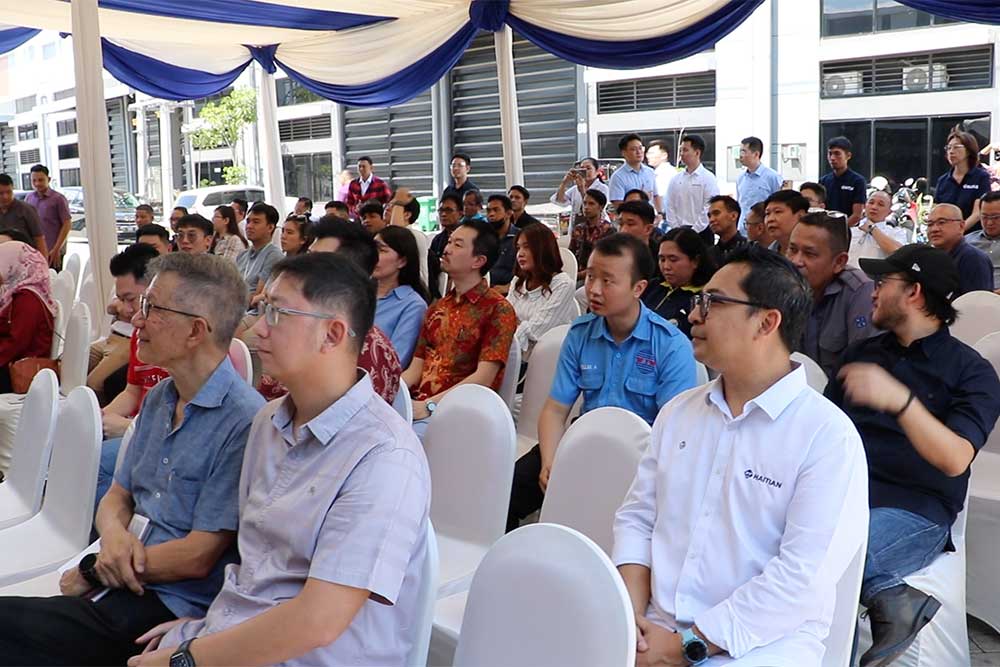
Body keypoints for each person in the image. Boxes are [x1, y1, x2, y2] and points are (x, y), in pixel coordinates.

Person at [132, 253, 430, 667]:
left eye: (277, 313)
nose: (257, 328)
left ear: (332, 334)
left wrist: (188, 658)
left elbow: (319, 622)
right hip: (238, 636)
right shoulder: (268, 422)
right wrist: (205, 629)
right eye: (261, 310)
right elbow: (256, 568)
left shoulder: (383, 457)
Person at [2, 254, 264, 667]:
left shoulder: (244, 421)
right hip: (120, 580)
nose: (136, 319)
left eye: (152, 307)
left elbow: (198, 556)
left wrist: (96, 568)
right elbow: (118, 496)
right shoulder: (161, 398)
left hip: (166, 605)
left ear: (196, 331)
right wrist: (113, 536)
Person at [614, 245, 869, 666]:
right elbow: (638, 518)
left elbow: (800, 580)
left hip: (759, 646)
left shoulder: (827, 438)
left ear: (767, 322)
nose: (693, 315)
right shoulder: (679, 413)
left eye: (712, 303)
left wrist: (682, 647)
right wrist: (631, 619)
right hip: (653, 627)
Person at [826, 244, 1000, 665]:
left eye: (882, 282)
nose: (872, 290)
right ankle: (891, 599)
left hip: (914, 510)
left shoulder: (971, 371)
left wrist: (901, 402)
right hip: (840, 497)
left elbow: (956, 458)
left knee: (834, 561)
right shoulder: (862, 355)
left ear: (914, 292)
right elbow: (823, 432)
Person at [507, 233, 696, 531]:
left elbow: (675, 435)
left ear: (638, 288)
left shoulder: (671, 346)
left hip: (642, 458)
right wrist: (550, 461)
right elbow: (555, 409)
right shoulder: (580, 334)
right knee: (508, 491)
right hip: (584, 440)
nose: (593, 289)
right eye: (591, 276)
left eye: (607, 281)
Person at [403, 219, 516, 439]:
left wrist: (430, 406)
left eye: (457, 244)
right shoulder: (437, 308)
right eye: (449, 242)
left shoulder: (498, 309)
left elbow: (483, 377)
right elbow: (416, 368)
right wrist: (390, 393)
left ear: (478, 261)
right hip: (418, 407)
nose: (446, 249)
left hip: (461, 414)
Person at [96, 244, 170, 501]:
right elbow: (132, 391)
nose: (126, 310)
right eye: (121, 299)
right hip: (142, 428)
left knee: (96, 464)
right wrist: (100, 418)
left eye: (130, 299)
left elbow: (186, 426)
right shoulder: (140, 332)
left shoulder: (180, 340)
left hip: (160, 442)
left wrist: (129, 428)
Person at [787, 211, 876, 379]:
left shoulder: (859, 293)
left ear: (839, 262)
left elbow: (864, 373)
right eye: (792, 250)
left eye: (809, 254)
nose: (795, 261)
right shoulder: (783, 286)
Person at [506, 222, 577, 360]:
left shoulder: (563, 284)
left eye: (527, 247)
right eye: (518, 248)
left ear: (543, 249)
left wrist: (517, 324)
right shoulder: (518, 281)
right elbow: (503, 318)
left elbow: (536, 331)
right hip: (513, 354)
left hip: (546, 360)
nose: (520, 254)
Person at [0, 242, 55, 393]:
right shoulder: (15, 292)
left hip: (17, 369)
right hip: (10, 360)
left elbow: (17, 343)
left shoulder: (28, 298)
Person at [641, 227, 717, 338]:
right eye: (662, 259)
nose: (666, 266)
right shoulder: (651, 287)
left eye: (673, 260)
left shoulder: (705, 299)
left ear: (695, 261)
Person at [373, 226, 430, 368]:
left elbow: (395, 361)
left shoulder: (413, 305)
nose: (372, 255)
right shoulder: (358, 293)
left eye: (381, 250)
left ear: (402, 261)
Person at [925, 203, 994, 295]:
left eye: (941, 222)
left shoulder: (973, 259)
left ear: (961, 226)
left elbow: (977, 301)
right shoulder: (930, 258)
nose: (934, 229)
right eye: (930, 224)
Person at [665, 134, 720, 244]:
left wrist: (694, 230)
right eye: (681, 150)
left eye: (685, 150)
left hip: (702, 232)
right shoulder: (675, 179)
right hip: (679, 232)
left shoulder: (708, 178)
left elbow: (709, 206)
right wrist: (676, 228)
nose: (681, 154)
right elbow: (669, 205)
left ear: (697, 153)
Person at [934, 129, 993, 231]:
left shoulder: (981, 177)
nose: (951, 151)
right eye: (948, 148)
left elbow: (977, 213)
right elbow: (937, 211)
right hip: (947, 235)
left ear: (969, 151)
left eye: (956, 147)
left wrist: (957, 232)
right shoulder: (943, 181)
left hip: (973, 235)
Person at [25, 164, 71, 269]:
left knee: (53, 277)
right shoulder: (29, 198)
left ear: (48, 179)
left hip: (53, 252)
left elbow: (67, 224)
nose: (37, 183)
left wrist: (57, 249)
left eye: (41, 180)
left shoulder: (58, 199)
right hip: (35, 252)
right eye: (34, 180)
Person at [235, 203, 283, 303]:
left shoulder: (274, 255)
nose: (249, 226)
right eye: (248, 221)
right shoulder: (242, 255)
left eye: (256, 222)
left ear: (270, 227)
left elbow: (258, 296)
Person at [849, 191, 907, 267]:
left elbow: (899, 253)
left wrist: (872, 228)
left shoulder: (896, 233)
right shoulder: (851, 231)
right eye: (871, 202)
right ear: (865, 206)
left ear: (889, 212)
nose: (874, 207)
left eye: (880, 204)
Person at [736, 136, 782, 232]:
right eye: (740, 151)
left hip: (763, 230)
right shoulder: (740, 178)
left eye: (744, 152)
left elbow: (779, 204)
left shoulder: (772, 177)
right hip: (743, 230)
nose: (740, 155)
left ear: (756, 154)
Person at [569, 189, 614, 283]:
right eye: (584, 203)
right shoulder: (579, 229)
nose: (586, 207)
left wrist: (577, 275)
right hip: (576, 273)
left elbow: (606, 262)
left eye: (591, 204)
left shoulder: (608, 230)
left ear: (601, 207)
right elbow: (571, 254)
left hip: (598, 276)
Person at [609, 134, 662, 214]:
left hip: (650, 217)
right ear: (624, 153)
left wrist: (660, 213)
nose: (639, 152)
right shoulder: (618, 177)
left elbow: (656, 195)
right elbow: (618, 205)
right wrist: (639, 200)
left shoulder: (650, 172)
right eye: (633, 149)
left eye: (640, 148)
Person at [819, 136, 866, 226]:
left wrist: (841, 229)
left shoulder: (858, 181)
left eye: (837, 153)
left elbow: (857, 215)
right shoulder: (823, 181)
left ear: (848, 156)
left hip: (848, 230)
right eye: (830, 154)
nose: (832, 158)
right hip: (826, 228)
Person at [617, 200, 663, 282]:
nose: (623, 230)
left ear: (648, 229)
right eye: (620, 224)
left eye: (630, 224)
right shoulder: (611, 253)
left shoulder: (660, 257)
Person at [428, 193, 463, 300]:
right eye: (441, 210)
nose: (443, 214)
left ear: (460, 213)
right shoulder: (437, 239)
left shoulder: (467, 237)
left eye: (449, 210)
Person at [0, 173, 45, 255]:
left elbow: (39, 239)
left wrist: (43, 261)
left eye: (9, 192)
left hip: (26, 257)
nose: (5, 197)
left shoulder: (26, 210)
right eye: (1, 193)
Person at [485, 194, 519, 293]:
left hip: (510, 291)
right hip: (485, 289)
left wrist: (509, 287)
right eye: (488, 211)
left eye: (496, 210)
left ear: (509, 213)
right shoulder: (482, 238)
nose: (491, 214)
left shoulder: (520, 238)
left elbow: (528, 272)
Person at [967, 191, 1000, 288]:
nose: (989, 223)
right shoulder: (966, 242)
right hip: (970, 294)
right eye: (984, 217)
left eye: (996, 217)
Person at [764, 189, 810, 255]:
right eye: (767, 213)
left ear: (801, 216)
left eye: (777, 212)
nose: (770, 219)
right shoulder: (768, 254)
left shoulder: (817, 249)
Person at [707, 195, 747, 266]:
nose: (711, 220)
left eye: (716, 213)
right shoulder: (708, 255)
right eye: (709, 216)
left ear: (733, 216)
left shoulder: (749, 250)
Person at [645, 140, 676, 219]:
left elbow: (660, 197)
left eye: (652, 153)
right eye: (648, 153)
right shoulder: (655, 173)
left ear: (664, 155)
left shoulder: (666, 173)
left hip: (664, 218)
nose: (648, 156)